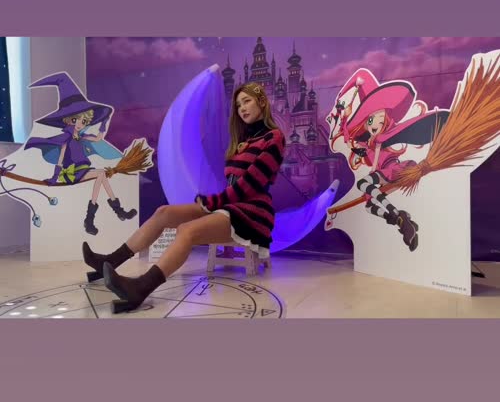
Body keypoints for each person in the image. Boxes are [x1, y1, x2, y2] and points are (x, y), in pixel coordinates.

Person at [83, 82, 286, 312]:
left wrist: (212, 202)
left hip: (252, 213)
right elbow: (234, 185)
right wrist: (213, 202)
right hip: (231, 205)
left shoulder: (274, 138)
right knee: (163, 213)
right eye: (239, 105)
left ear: (262, 102)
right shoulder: (243, 141)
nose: (242, 108)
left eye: (247, 101)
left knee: (187, 231)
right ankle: (108, 262)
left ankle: (140, 287)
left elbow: (250, 184)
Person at [327, 69, 449, 252]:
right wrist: (344, 117)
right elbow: (351, 141)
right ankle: (401, 220)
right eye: (369, 121)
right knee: (369, 206)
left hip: (392, 169)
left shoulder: (381, 138)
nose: (373, 125)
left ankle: (397, 215)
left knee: (363, 184)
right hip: (384, 173)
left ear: (386, 117)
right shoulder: (367, 142)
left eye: (377, 118)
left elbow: (379, 150)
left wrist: (373, 170)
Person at [25, 72, 137, 234]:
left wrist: (105, 120)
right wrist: (54, 177)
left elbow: (98, 138)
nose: (79, 123)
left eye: (84, 121)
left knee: (101, 176)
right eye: (75, 119)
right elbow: (61, 157)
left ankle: (97, 218)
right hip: (72, 173)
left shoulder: (82, 137)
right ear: (67, 119)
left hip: (83, 170)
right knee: (101, 174)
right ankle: (110, 213)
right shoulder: (66, 137)